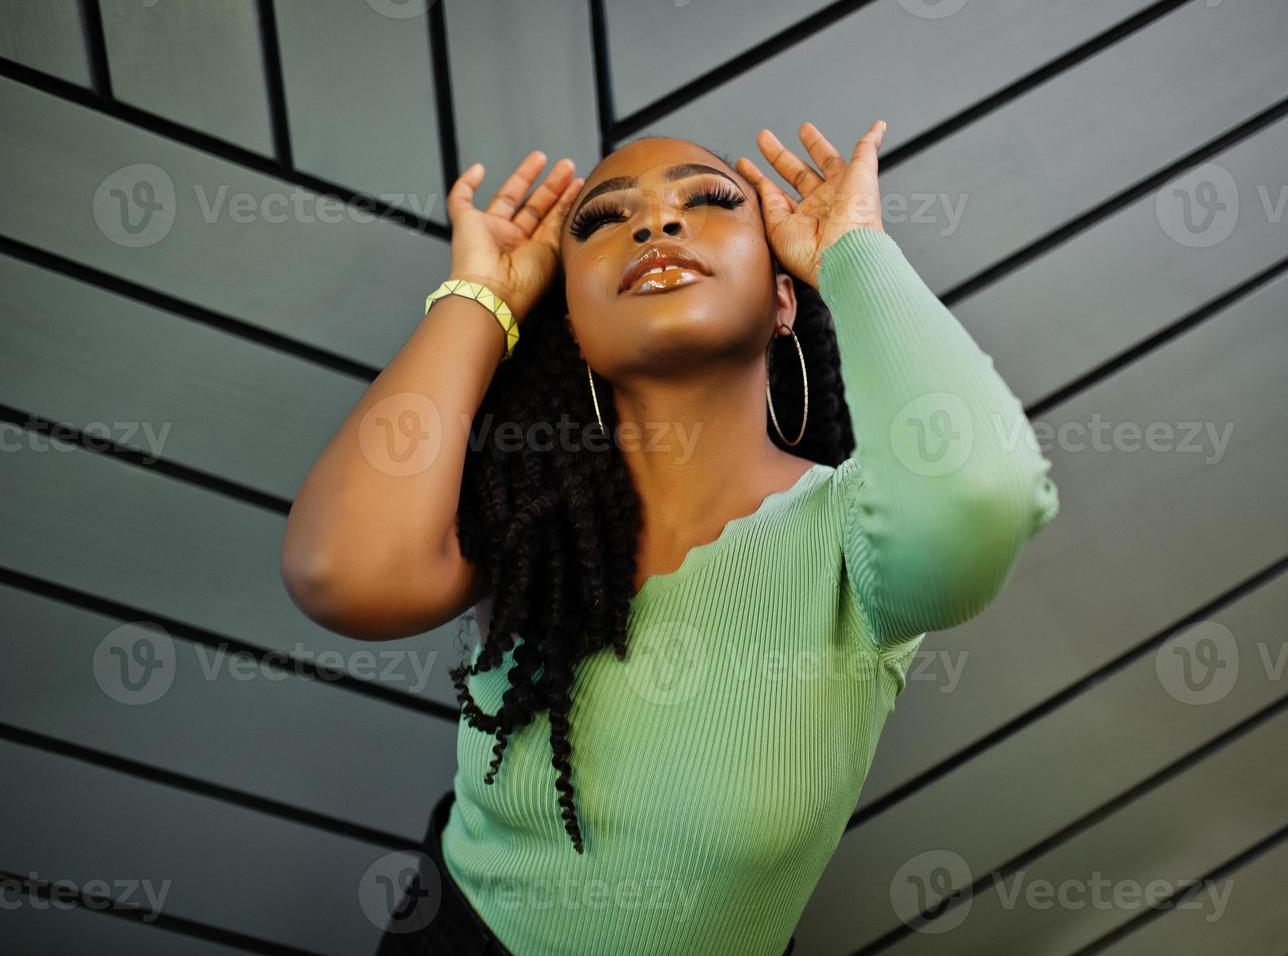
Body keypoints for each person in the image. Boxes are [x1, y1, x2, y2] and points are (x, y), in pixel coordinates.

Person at [281, 119, 1060, 954]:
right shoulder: (538, 516)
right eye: (605, 220)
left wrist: (853, 251)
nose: (655, 224)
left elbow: (981, 495)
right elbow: (338, 573)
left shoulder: (854, 540)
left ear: (784, 296)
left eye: (709, 200)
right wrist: (483, 299)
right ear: (571, 321)